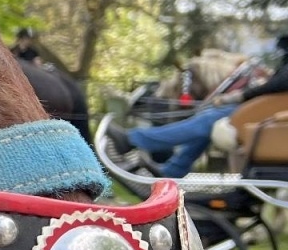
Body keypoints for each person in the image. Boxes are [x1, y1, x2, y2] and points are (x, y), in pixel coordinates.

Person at [107, 35, 288, 177]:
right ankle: (173, 169)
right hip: (271, 114)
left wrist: (239, 96)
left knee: (209, 120)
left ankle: (134, 140)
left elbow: (281, 83)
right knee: (210, 121)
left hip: (271, 116)